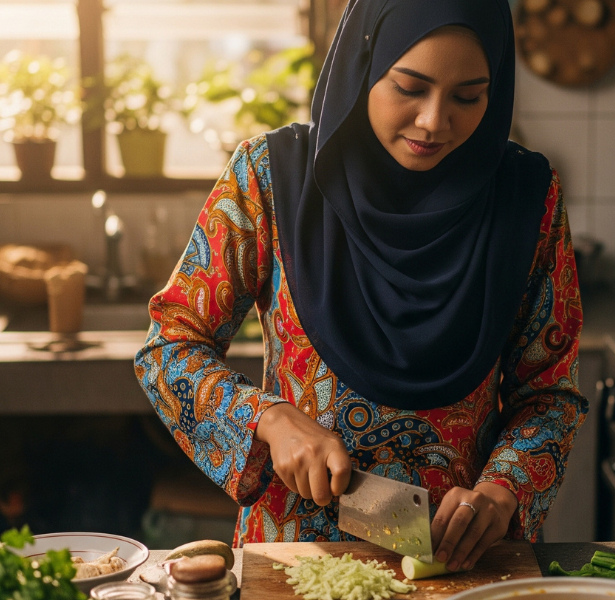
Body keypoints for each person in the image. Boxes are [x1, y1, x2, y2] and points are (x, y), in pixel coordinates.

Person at [135, 0, 587, 572]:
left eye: (469, 97)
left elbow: (550, 394)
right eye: (409, 87)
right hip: (294, 560)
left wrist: (503, 491)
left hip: (461, 561)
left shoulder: (528, 199)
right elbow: (169, 346)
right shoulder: (270, 178)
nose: (433, 121)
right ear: (364, 63)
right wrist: (269, 420)